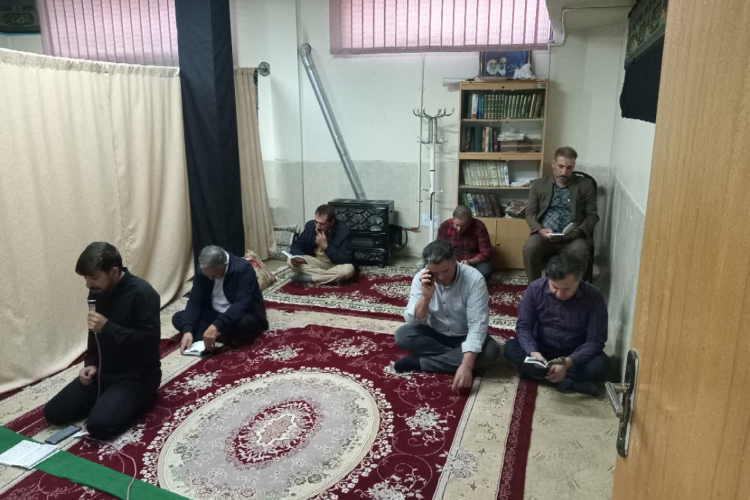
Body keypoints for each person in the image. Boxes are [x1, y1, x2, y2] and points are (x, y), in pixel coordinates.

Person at [44, 242, 161, 440]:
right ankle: (109, 402)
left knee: (98, 426)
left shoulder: (143, 294)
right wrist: (90, 363)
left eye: (93, 278)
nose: (88, 284)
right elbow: (94, 332)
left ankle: (143, 398)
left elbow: (148, 342)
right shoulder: (97, 291)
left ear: (113, 272)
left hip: (136, 376)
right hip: (104, 372)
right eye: (85, 278)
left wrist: (108, 327)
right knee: (53, 412)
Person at [394, 240, 500, 393]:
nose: (441, 277)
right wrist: (426, 297)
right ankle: (456, 357)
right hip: (435, 332)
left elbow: (477, 325)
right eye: (435, 273)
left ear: (454, 261)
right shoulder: (421, 278)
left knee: (491, 351)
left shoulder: (474, 279)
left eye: (445, 271)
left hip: (464, 334)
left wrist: (466, 366)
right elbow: (412, 322)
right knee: (403, 335)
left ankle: (421, 363)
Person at [504, 254, 610, 396]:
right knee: (510, 348)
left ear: (579, 280)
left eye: (566, 289)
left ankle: (539, 375)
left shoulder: (594, 297)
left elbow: (596, 341)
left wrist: (567, 362)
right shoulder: (535, 289)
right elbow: (524, 327)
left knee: (601, 365)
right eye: (554, 287)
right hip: (543, 348)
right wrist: (533, 352)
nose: (559, 294)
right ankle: (570, 383)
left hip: (574, 351)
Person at [523, 146, 598, 282]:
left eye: (569, 168)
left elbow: (592, 216)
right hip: (544, 236)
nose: (564, 172)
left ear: (574, 166)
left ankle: (574, 289)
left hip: (573, 237)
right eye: (561, 166)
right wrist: (540, 230)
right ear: (553, 164)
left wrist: (577, 232)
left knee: (581, 251)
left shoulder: (585, 185)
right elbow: (530, 213)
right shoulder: (538, 185)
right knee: (530, 249)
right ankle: (535, 287)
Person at [173, 245, 268, 353]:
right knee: (179, 318)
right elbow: (195, 301)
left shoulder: (243, 269)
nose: (209, 278)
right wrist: (188, 330)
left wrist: (216, 325)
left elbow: (242, 304)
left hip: (239, 315)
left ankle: (214, 336)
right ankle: (224, 338)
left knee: (247, 324)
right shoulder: (203, 270)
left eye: (213, 276)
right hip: (215, 314)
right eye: (207, 275)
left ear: (225, 265)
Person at [287, 204, 355, 285]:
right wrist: (296, 256)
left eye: (322, 224)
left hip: (335, 264)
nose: (318, 227)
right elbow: (298, 243)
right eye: (316, 222)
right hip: (317, 262)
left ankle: (309, 278)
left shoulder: (343, 231)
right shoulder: (310, 226)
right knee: (290, 261)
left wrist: (325, 246)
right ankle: (330, 277)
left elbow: (346, 259)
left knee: (348, 270)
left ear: (332, 222)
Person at [437, 205, 493, 282]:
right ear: (453, 219)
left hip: (472, 260)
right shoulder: (445, 226)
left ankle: (464, 282)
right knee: (427, 267)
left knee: (486, 270)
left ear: (470, 221)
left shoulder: (479, 226)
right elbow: (438, 249)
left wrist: (470, 261)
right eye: (457, 225)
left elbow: (486, 252)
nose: (459, 229)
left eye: (463, 226)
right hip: (451, 260)